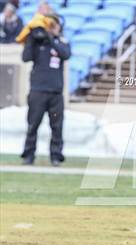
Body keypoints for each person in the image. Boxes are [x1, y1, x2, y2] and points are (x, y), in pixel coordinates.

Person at [20, 14, 71, 166]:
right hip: (38, 91)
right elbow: (25, 58)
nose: (51, 28)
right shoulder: (37, 42)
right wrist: (31, 38)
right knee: (32, 125)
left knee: (56, 127)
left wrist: (51, 37)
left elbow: (65, 54)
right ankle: (28, 155)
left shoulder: (62, 42)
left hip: (55, 92)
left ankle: (56, 156)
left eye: (54, 25)